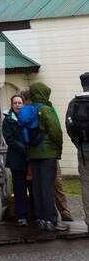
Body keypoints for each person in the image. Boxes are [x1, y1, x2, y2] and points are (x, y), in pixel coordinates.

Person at [24, 81, 63, 230]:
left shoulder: (28, 109)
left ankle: (40, 217)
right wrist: (58, 148)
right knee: (47, 187)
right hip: (48, 154)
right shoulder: (46, 109)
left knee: (37, 187)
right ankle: (50, 219)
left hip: (33, 154)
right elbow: (55, 131)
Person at [65, 71, 89, 228]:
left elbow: (69, 127)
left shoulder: (74, 103)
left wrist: (78, 143)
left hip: (83, 150)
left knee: (86, 183)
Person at [2, 94, 30, 226]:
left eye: (19, 103)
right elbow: (10, 140)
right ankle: (21, 216)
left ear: (23, 104)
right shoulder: (8, 120)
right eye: (15, 103)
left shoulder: (28, 118)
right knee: (19, 189)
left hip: (30, 159)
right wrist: (24, 148)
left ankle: (34, 213)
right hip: (16, 159)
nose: (17, 105)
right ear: (12, 105)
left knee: (33, 187)